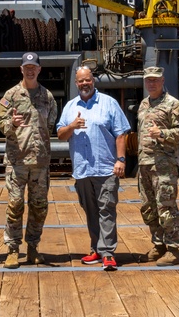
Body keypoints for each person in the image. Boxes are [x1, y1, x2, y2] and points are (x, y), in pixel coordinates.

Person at [56, 65, 130, 271]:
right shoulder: (70, 106)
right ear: (76, 83)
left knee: (106, 209)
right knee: (91, 212)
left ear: (93, 80)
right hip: (82, 170)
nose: (84, 84)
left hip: (106, 168)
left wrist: (121, 160)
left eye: (87, 80)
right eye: (80, 81)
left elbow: (121, 134)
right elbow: (61, 134)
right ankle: (97, 249)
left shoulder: (109, 103)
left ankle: (107, 252)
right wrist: (71, 126)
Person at [0, 52, 57, 269]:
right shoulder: (10, 95)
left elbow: (49, 125)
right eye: (26, 67)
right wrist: (11, 124)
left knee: (39, 206)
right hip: (17, 161)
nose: (30, 70)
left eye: (34, 67)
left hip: (40, 162)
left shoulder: (47, 96)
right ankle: (12, 249)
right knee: (15, 205)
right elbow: (1, 125)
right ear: (21, 69)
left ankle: (33, 247)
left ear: (39, 69)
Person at [136, 66, 179, 266]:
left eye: (155, 80)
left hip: (164, 165)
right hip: (145, 164)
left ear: (162, 80)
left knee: (166, 206)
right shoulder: (143, 104)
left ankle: (174, 249)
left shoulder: (173, 104)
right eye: (148, 80)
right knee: (149, 207)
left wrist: (163, 134)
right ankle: (158, 244)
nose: (151, 83)